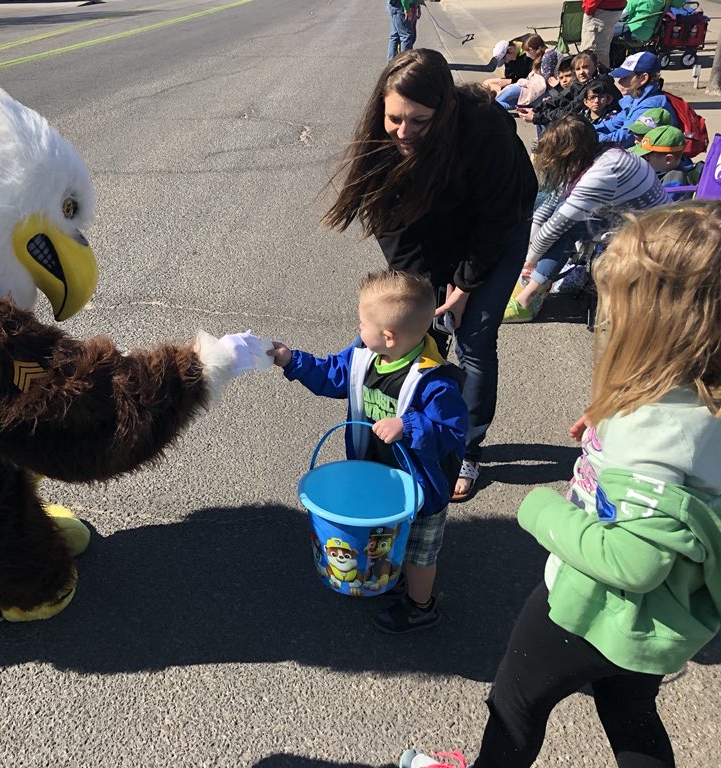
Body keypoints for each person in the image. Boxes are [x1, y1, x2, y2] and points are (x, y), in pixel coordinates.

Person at [399, 199, 721, 768]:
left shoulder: (650, 432)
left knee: (515, 705)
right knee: (630, 710)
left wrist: (540, 510)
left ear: (658, 323)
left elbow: (633, 562)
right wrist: (606, 416)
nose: (607, 316)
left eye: (617, 306)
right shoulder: (695, 403)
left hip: (591, 607)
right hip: (662, 623)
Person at [323, 48, 537, 501]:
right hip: (431, 226)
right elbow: (392, 226)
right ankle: (426, 425)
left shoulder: (484, 131)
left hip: (496, 228)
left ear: (447, 109)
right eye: (395, 118)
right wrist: (423, 295)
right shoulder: (386, 140)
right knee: (425, 332)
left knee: (475, 336)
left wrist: (463, 287)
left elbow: (497, 221)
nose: (404, 132)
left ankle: (467, 448)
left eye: (419, 122)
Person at [270, 270, 467, 632]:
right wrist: (291, 360)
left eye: (363, 323)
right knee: (382, 534)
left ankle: (420, 605)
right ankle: (385, 573)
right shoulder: (364, 356)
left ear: (388, 336)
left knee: (420, 554)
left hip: (421, 486)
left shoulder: (433, 381)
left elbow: (453, 433)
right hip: (376, 471)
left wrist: (407, 426)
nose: (358, 328)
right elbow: (332, 374)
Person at [503, 115, 667, 323]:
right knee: (553, 216)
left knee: (566, 230)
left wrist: (529, 262)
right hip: (628, 216)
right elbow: (550, 204)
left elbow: (555, 227)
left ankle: (526, 300)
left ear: (566, 154)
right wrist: (531, 247)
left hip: (647, 230)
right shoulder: (599, 155)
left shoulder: (602, 173)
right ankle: (538, 282)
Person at [596, 51, 675, 146]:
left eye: (625, 77)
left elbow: (625, 139)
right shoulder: (636, 98)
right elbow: (613, 124)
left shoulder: (651, 105)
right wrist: (585, 128)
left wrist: (590, 138)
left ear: (643, 78)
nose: (620, 82)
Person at [494, 35, 561, 111]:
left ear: (531, 50)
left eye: (526, 52)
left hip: (548, 94)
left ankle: (490, 107)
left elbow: (544, 83)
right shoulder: (544, 55)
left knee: (512, 91)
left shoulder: (548, 57)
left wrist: (525, 83)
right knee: (511, 100)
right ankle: (492, 108)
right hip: (540, 90)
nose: (526, 55)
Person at [630, 124, 694, 199]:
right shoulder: (662, 171)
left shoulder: (673, 181)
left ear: (668, 159)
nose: (642, 160)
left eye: (646, 157)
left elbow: (661, 208)